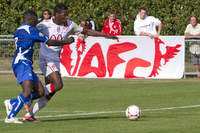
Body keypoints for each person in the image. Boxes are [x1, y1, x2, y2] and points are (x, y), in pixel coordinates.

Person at [23, 3, 118, 122]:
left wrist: (106, 35)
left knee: (51, 91)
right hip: (46, 59)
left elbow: (87, 31)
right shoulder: (44, 24)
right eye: (64, 15)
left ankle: (29, 114)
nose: (66, 17)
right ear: (56, 15)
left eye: (67, 15)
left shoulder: (70, 24)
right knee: (58, 85)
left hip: (56, 59)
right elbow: (28, 30)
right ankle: (25, 98)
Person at [4, 10, 75, 124]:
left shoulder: (19, 30)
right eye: (36, 20)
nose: (37, 22)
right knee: (27, 90)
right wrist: (66, 41)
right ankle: (10, 116)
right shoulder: (31, 30)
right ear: (31, 19)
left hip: (24, 63)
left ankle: (13, 102)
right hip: (22, 62)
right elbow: (49, 42)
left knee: (40, 92)